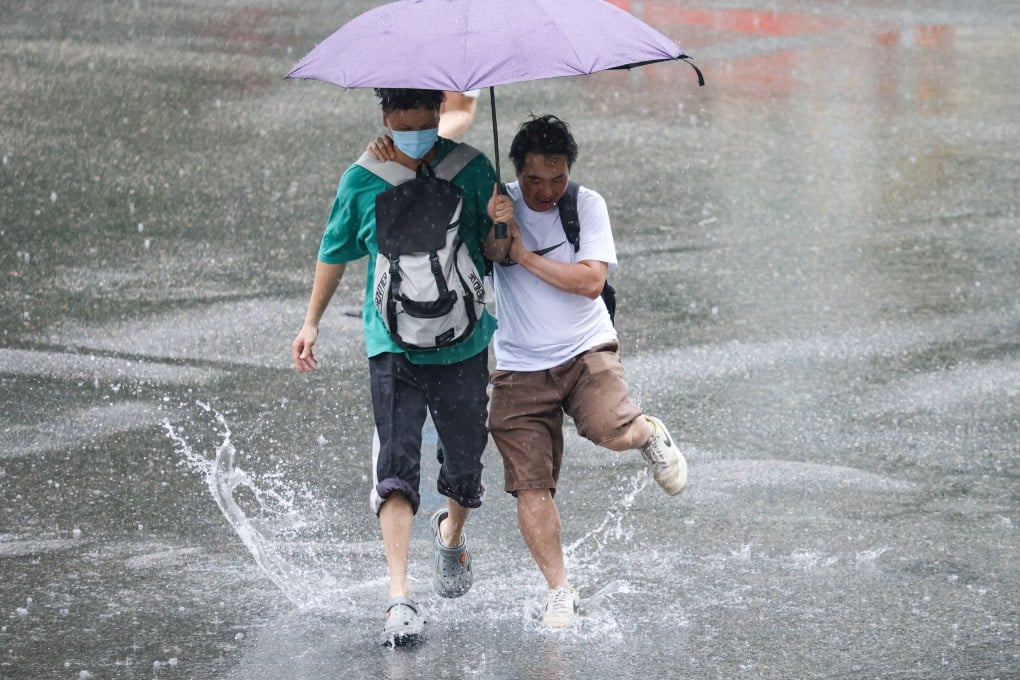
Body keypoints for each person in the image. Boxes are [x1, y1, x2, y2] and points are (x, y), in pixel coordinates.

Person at [292, 88, 502, 646]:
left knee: (465, 462)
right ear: (385, 118)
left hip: (464, 340)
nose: (414, 133)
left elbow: (497, 252)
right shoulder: (361, 179)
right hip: (391, 341)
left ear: (438, 116)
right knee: (396, 463)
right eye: (403, 124)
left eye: (425, 122)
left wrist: (501, 222)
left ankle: (451, 534)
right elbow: (334, 249)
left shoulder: (473, 170)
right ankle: (399, 597)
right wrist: (312, 321)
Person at [484, 114, 688, 629]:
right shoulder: (497, 204)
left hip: (583, 350)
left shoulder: (586, 205)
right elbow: (482, 257)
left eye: (558, 178)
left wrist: (524, 254)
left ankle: (647, 433)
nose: (548, 191)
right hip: (518, 366)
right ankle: (559, 590)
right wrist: (495, 229)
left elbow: (590, 281)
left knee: (613, 432)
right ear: (516, 172)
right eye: (535, 180)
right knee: (530, 484)